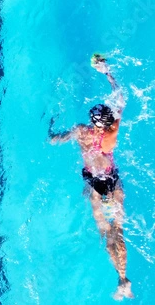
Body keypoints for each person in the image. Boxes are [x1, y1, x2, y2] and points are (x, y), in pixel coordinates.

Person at [50, 54, 134, 300]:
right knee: (118, 229)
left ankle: (121, 280)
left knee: (105, 232)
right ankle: (123, 278)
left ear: (93, 121)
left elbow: (56, 139)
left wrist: (51, 132)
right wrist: (107, 73)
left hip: (95, 185)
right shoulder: (112, 133)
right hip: (112, 180)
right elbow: (120, 97)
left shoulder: (81, 132)